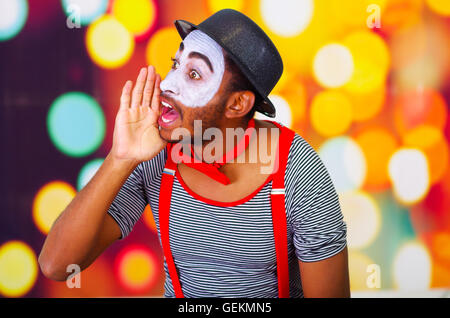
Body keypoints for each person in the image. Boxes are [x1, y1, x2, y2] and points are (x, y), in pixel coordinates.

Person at [39, 9, 349, 298]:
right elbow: (58, 265)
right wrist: (121, 157)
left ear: (237, 104)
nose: (168, 85)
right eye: (176, 65)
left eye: (195, 74)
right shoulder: (156, 152)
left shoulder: (297, 170)